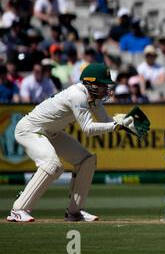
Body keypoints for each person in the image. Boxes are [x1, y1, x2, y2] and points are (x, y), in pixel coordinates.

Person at [6, 63, 137, 222]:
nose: (105, 89)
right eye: (102, 85)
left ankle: (75, 211)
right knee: (52, 165)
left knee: (87, 161)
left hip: (52, 133)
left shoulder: (95, 99)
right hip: (30, 130)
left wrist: (123, 121)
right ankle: (18, 210)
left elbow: (106, 121)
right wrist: (117, 126)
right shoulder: (77, 95)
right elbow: (88, 129)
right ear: (90, 83)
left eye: (106, 85)